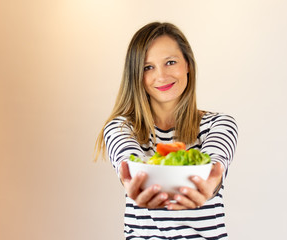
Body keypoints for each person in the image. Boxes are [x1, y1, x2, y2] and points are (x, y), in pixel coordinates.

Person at [95, 22, 238, 239]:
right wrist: (133, 182)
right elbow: (128, 162)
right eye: (148, 67)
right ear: (136, 75)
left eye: (170, 62)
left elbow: (216, 164)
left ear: (188, 64)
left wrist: (209, 184)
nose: (161, 76)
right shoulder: (121, 128)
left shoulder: (219, 124)